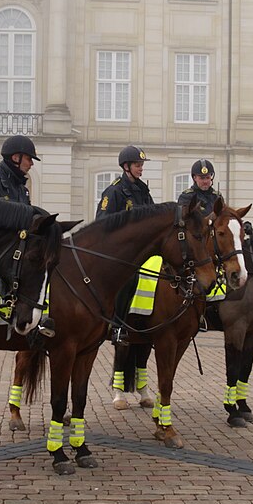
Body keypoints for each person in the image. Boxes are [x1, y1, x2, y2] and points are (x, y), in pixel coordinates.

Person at [0, 135, 55, 338]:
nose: (31, 163)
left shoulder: (21, 189)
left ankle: (35, 315)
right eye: (29, 158)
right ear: (16, 157)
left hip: (15, 247)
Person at [96, 145, 155, 409]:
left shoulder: (143, 190)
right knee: (126, 281)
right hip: (120, 257)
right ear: (125, 166)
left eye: (142, 164)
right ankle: (117, 325)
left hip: (143, 255)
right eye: (137, 164)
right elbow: (103, 225)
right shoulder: (114, 192)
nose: (141, 168)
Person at [179, 158, 226, 304]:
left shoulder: (217, 197)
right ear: (194, 178)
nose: (205, 181)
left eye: (207, 177)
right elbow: (185, 223)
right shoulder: (187, 196)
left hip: (214, 247)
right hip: (195, 247)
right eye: (201, 178)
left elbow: (223, 218)